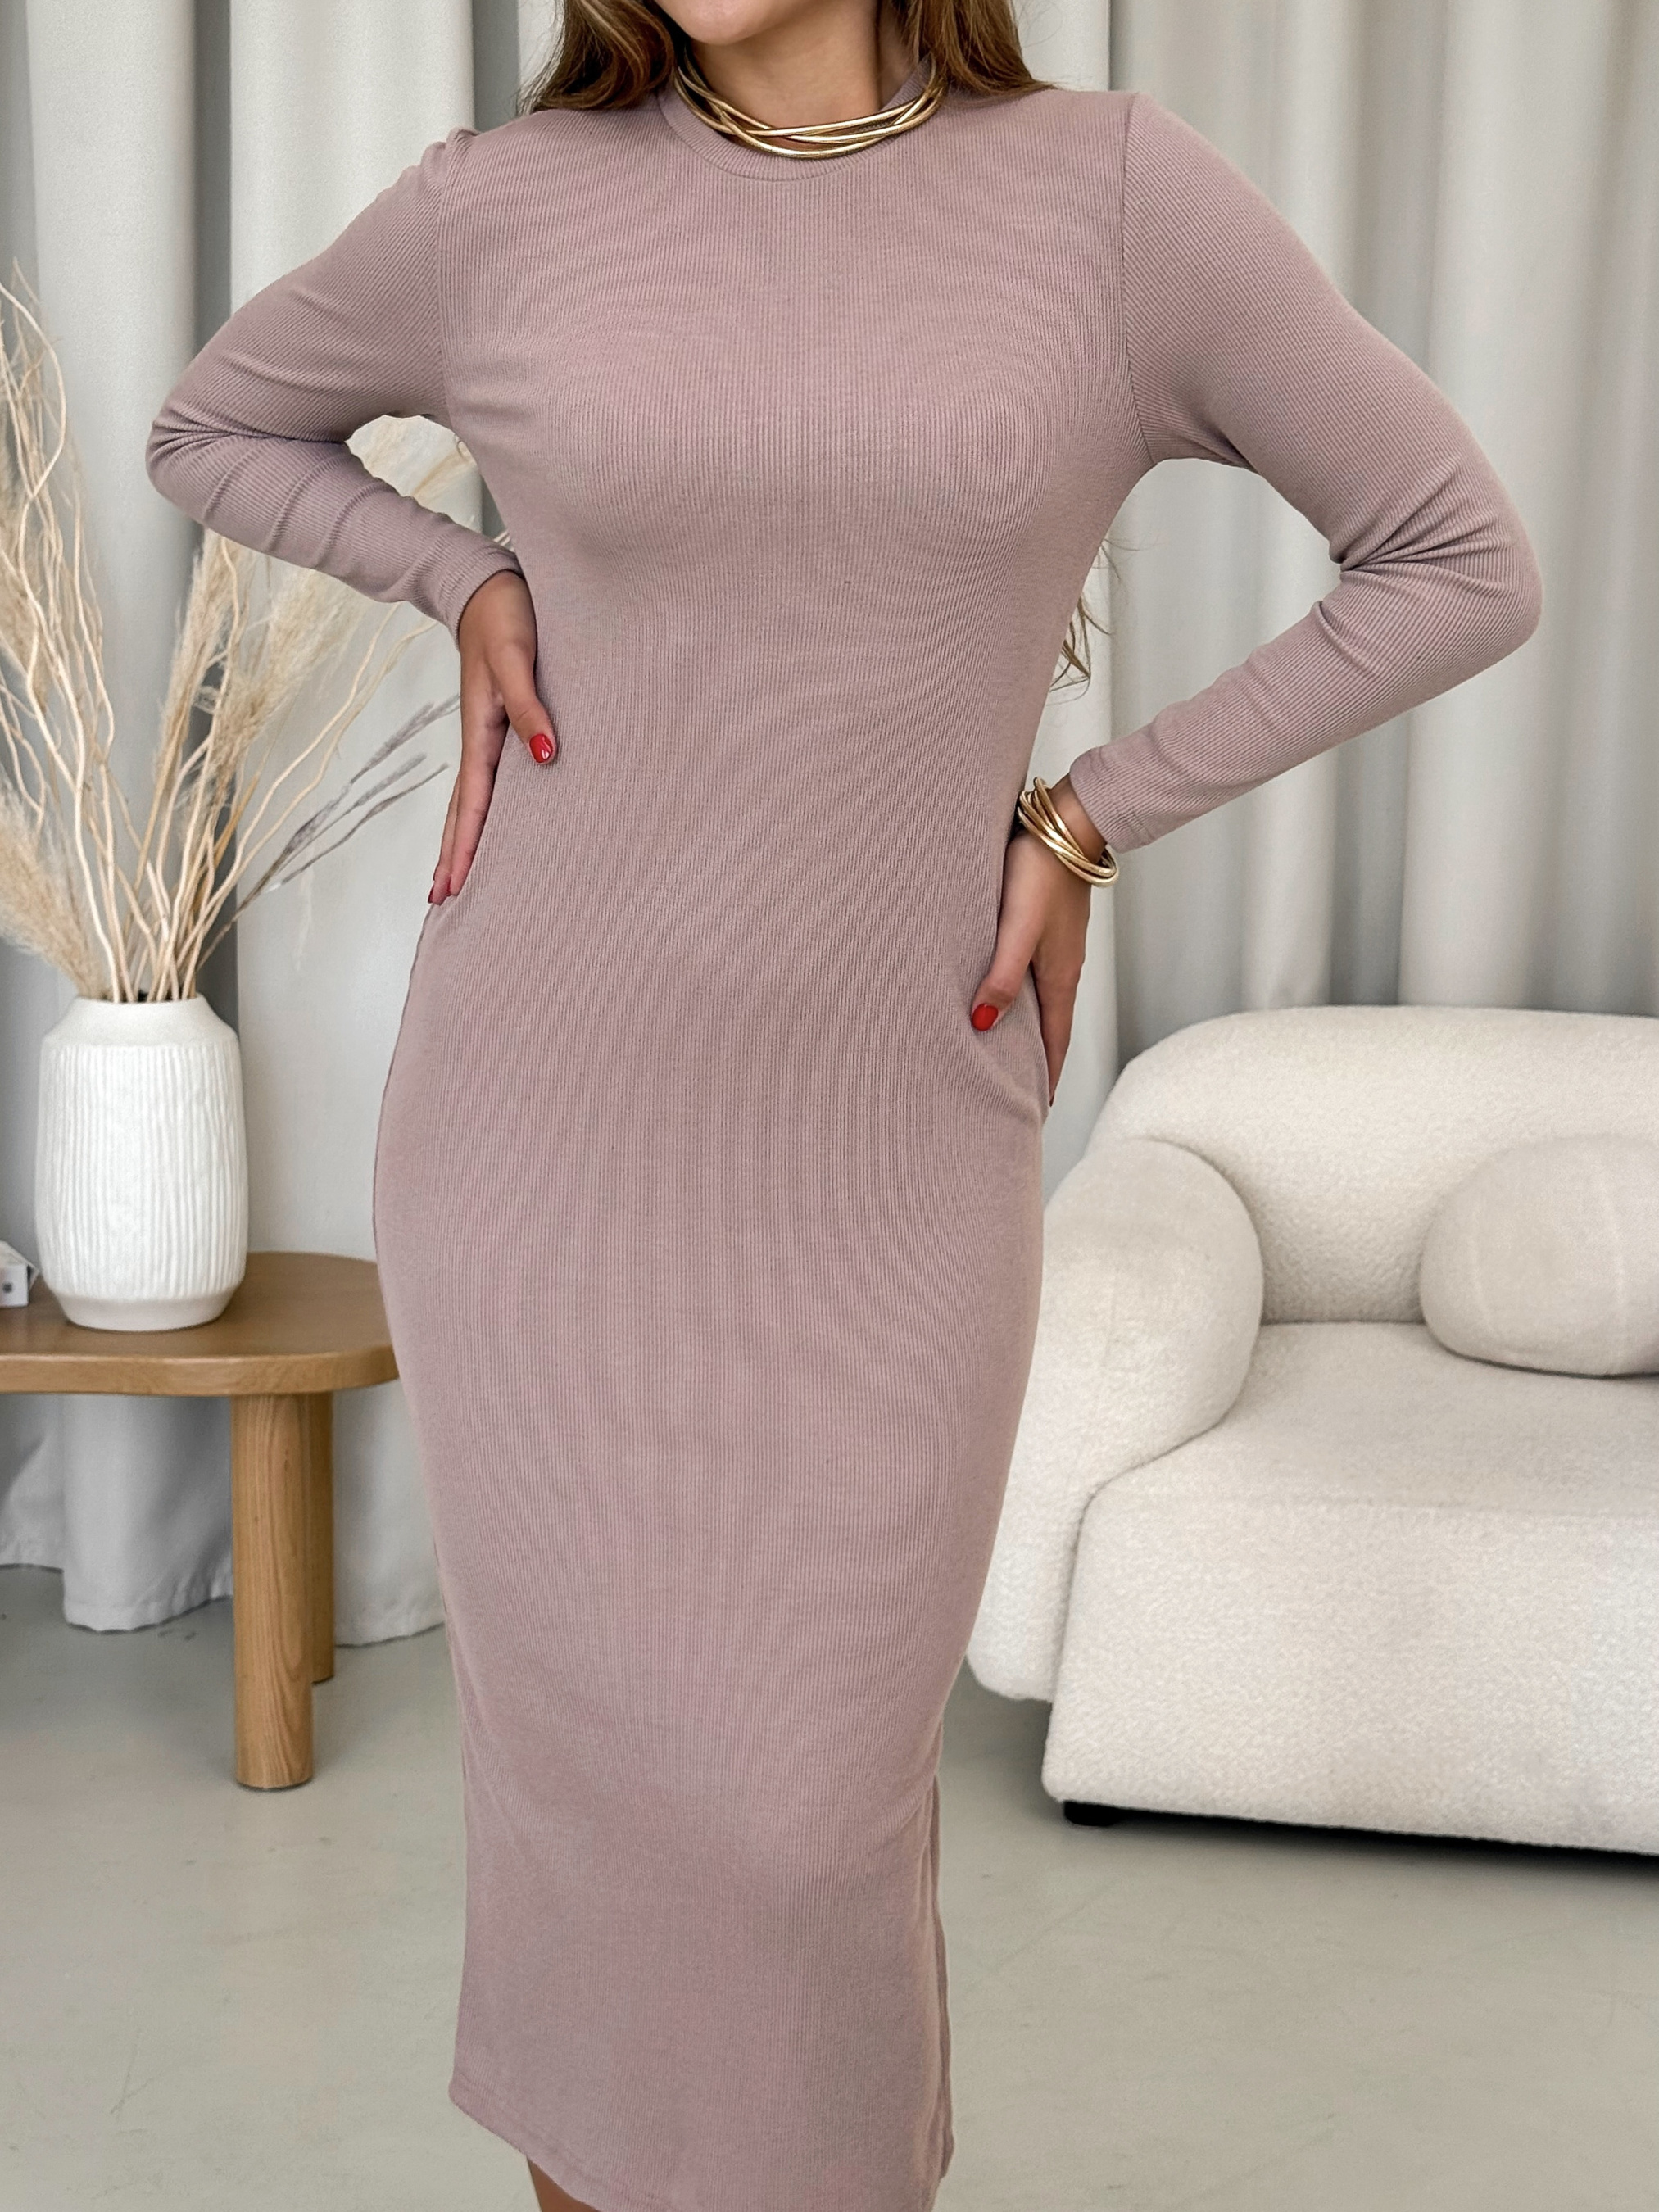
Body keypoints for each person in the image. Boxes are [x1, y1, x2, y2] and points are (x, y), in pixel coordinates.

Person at [144, 0, 1543, 2203]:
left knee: (804, 1841)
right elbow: (212, 422)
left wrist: (1092, 810)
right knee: (603, 1839)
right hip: (541, 1144)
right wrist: (461, 571)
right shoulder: (505, 209)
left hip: (890, 1157)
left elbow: (1458, 556)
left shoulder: (1108, 200)